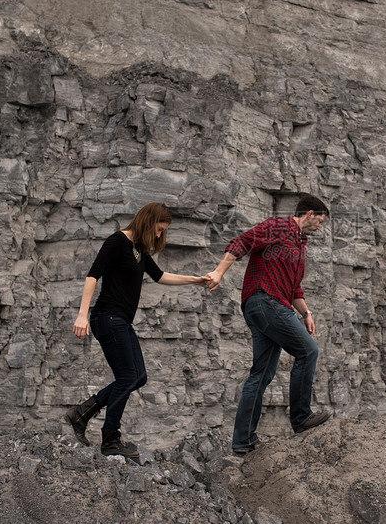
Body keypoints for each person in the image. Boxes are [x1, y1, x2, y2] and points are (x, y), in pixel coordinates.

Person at [65, 203, 210, 458]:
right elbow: (92, 276)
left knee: (138, 377)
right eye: (158, 229)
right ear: (148, 221)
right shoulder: (117, 241)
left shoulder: (139, 250)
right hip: (107, 318)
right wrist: (81, 315)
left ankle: (82, 413)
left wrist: (196, 280)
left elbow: (160, 276)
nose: (158, 236)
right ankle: (110, 439)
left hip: (121, 321)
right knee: (127, 377)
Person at [206, 194, 332, 454]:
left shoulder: (300, 244)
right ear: (309, 214)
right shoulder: (279, 226)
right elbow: (242, 242)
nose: (320, 227)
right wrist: (219, 272)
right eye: (319, 221)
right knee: (308, 351)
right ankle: (301, 418)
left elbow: (294, 287)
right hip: (265, 300)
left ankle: (243, 441)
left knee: (261, 374)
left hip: (268, 306)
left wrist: (306, 313)